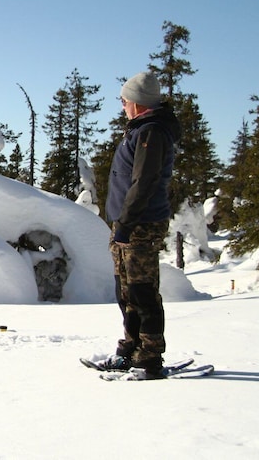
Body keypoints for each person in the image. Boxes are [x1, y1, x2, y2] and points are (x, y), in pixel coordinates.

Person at [102, 71, 181, 377]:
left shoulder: (152, 132)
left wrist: (126, 221)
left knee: (142, 291)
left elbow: (144, 182)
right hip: (127, 223)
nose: (122, 105)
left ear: (138, 103)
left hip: (140, 224)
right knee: (125, 290)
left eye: (124, 100)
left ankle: (149, 354)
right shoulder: (140, 130)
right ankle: (131, 346)